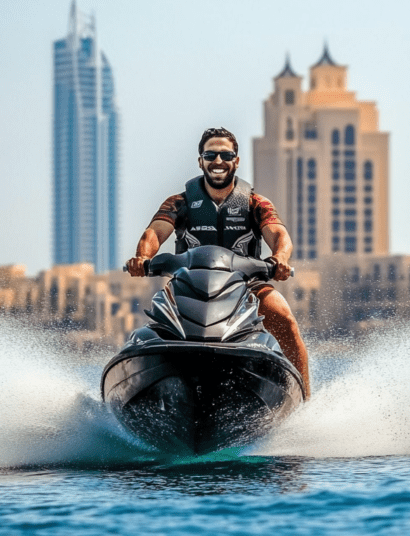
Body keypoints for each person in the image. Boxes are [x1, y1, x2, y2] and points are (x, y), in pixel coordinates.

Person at [126, 127, 311, 397]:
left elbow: (280, 235)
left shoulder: (255, 202)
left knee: (285, 320)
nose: (218, 161)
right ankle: (135, 385)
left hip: (248, 286)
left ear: (236, 161)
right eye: (210, 154)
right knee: (148, 330)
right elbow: (155, 232)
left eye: (226, 155)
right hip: (186, 285)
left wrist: (279, 259)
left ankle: (303, 398)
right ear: (200, 161)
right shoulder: (180, 202)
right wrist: (143, 257)